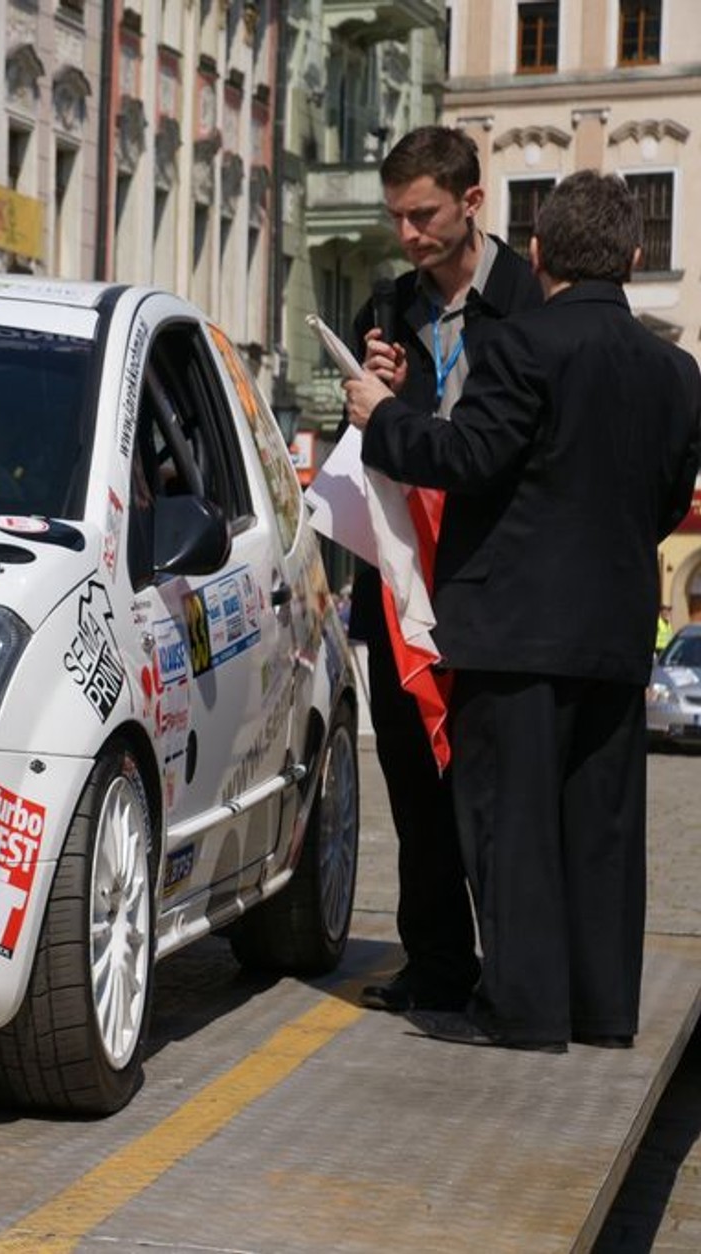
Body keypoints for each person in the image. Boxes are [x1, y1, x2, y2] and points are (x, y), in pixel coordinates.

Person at [343, 170, 701, 1051]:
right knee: (602, 830)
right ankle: (602, 1009)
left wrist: (383, 414)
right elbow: (665, 501)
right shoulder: (676, 368)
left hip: (511, 629)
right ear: (635, 255)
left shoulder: (522, 348)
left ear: (537, 254)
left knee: (512, 826)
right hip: (615, 632)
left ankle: (523, 1009)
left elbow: (468, 456)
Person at [346, 125, 544, 1016]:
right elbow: (375, 443)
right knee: (414, 786)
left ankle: (517, 970)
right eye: (397, 218)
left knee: (497, 788)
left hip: (498, 582)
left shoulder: (531, 303)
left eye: (423, 214)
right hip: (399, 589)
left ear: (472, 201)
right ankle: (435, 963)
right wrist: (372, 385)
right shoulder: (386, 308)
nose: (410, 235)